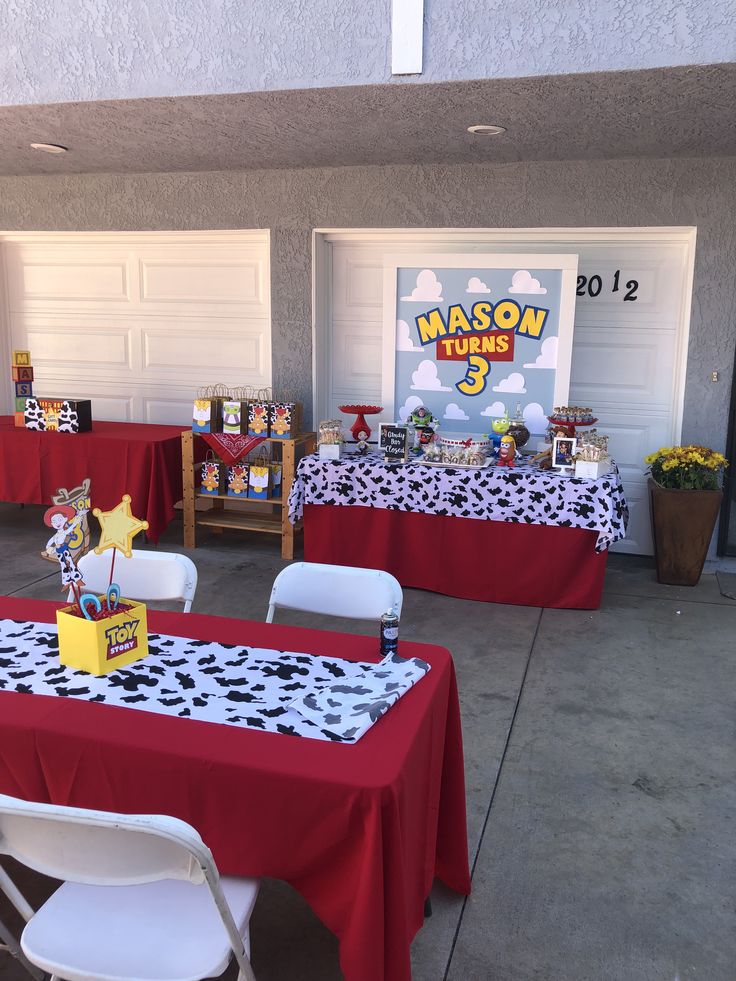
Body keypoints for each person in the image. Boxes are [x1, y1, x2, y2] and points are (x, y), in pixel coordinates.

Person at [44, 504, 88, 591]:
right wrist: (51, 549)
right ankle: (67, 582)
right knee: (63, 566)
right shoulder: (55, 536)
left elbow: (71, 527)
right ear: (52, 524)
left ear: (65, 519)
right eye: (54, 521)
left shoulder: (64, 532)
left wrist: (78, 518)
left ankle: (77, 579)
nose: (57, 523)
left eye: (59, 519)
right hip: (59, 552)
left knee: (71, 563)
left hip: (65, 551)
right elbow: (48, 544)